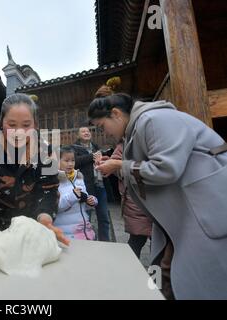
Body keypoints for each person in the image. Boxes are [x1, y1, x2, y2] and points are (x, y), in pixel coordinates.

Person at [88, 84, 227, 300]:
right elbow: (142, 169)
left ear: (115, 114)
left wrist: (118, 166)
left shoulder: (153, 120)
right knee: (165, 270)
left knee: (193, 275)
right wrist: (118, 165)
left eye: (101, 126)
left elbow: (166, 168)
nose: (104, 133)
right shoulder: (136, 129)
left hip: (203, 209)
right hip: (181, 214)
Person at [0, 93, 70, 246]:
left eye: (26, 125)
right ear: (1, 123)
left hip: (32, 228)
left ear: (35, 125)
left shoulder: (45, 152)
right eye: (12, 125)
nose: (19, 132)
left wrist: (45, 219)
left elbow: (48, 190)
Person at [97, 143, 152, 258]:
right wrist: (116, 167)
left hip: (154, 201)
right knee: (137, 240)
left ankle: (155, 273)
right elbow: (115, 170)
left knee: (157, 245)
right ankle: (132, 271)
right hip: (137, 202)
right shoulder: (123, 144)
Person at [72, 126, 111, 241]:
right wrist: (91, 157)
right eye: (83, 131)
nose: (86, 133)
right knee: (86, 217)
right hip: (86, 187)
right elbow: (74, 162)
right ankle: (87, 241)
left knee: (104, 217)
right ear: (78, 135)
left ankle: (105, 242)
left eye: (88, 131)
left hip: (100, 185)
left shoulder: (96, 147)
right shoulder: (74, 148)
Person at [54, 146, 97, 240]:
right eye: (66, 160)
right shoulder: (53, 180)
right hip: (65, 234)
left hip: (83, 231)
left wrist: (90, 201)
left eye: (73, 160)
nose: (70, 164)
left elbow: (83, 201)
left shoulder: (79, 177)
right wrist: (73, 196)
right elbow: (54, 207)